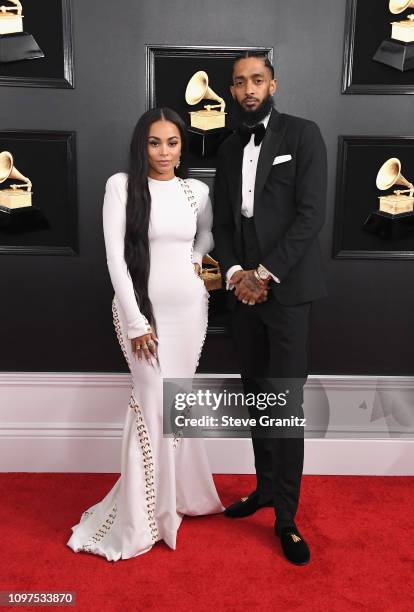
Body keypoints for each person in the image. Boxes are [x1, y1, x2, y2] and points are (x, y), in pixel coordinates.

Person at [67, 107, 224, 561]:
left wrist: (197, 256)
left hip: (190, 308)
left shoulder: (197, 190)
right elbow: (115, 258)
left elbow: (208, 234)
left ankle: (183, 498)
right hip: (142, 312)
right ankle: (145, 517)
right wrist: (136, 321)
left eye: (172, 142)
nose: (164, 152)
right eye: (155, 143)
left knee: (178, 401)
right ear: (142, 145)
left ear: (182, 146)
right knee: (152, 400)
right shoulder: (121, 186)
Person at [212, 52, 327, 566]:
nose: (249, 89)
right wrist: (237, 274)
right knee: (257, 401)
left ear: (273, 83)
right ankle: (262, 490)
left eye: (257, 79)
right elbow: (223, 222)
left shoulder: (303, 135)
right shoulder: (229, 145)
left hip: (286, 296)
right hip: (244, 296)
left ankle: (286, 516)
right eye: (239, 83)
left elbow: (310, 216)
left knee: (285, 407)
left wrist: (265, 274)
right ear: (232, 92)